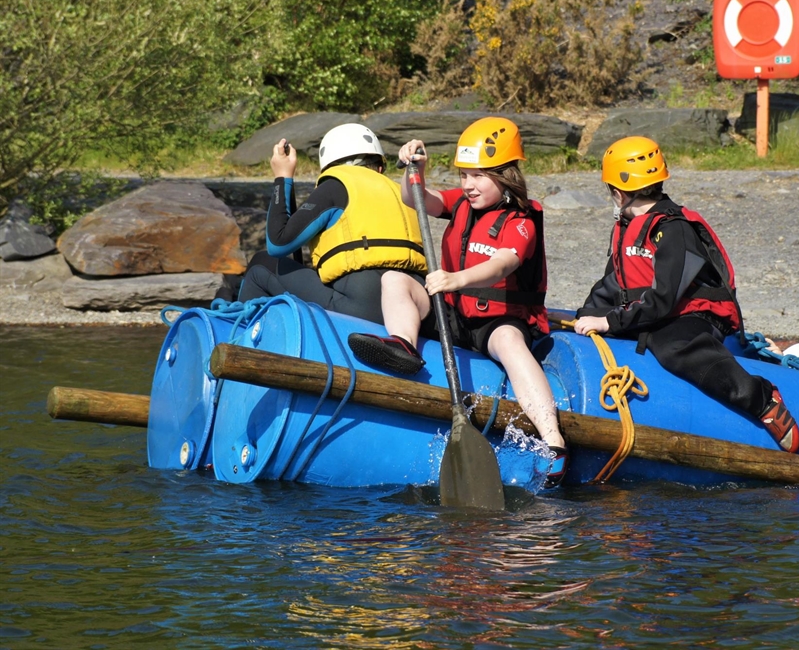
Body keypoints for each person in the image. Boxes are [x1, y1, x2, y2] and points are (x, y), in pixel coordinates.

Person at [346, 116, 568, 487]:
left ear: (505, 175)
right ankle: (403, 343)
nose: (468, 185)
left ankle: (554, 443)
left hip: (498, 320)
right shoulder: (462, 203)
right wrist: (415, 169)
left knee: (511, 344)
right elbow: (415, 198)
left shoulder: (522, 219)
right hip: (455, 313)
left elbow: (504, 263)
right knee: (395, 279)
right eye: (464, 175)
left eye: (478, 176)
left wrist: (455, 279)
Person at [573, 136, 799, 452]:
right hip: (656, 313)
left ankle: (761, 398)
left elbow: (664, 299)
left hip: (694, 316)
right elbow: (612, 284)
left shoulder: (674, 230)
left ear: (617, 192)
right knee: (619, 327)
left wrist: (610, 322)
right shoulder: (626, 227)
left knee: (671, 347)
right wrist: (585, 316)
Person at [236, 123, 427, 323]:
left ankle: (239, 336)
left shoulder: (336, 185)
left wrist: (282, 177)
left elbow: (278, 244)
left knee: (261, 264)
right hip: (415, 304)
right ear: (380, 167)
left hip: (359, 305)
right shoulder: (404, 193)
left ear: (329, 167)